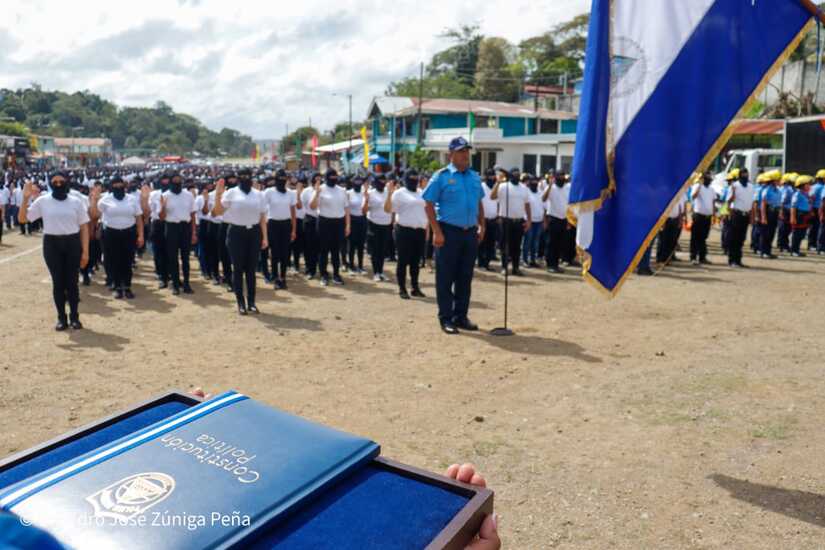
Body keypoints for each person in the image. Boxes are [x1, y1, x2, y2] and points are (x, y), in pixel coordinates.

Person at [423, 137, 485, 335]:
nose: (465, 155)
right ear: (451, 155)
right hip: (448, 232)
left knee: (465, 277)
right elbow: (428, 204)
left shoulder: (475, 177)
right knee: (445, 277)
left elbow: (479, 203)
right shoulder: (440, 176)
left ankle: (461, 316)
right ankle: (446, 318)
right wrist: (437, 232)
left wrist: (482, 225)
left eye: (467, 151)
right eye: (460, 152)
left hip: (470, 233)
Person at [18, 174, 90, 330]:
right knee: (58, 282)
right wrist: (25, 199)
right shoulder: (43, 201)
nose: (58, 184)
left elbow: (84, 227)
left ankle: (74, 317)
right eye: (54, 182)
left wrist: (85, 251)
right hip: (52, 244)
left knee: (72, 282)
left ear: (67, 182)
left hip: (72, 242)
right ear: (50, 183)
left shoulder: (76, 202)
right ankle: (61, 318)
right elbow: (23, 219)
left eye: (61, 181)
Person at [212, 170, 268, 315]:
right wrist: (218, 195)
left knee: (251, 270)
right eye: (242, 177)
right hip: (236, 232)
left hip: (254, 233)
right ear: (238, 179)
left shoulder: (259, 194)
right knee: (237, 269)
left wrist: (265, 237)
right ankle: (240, 303)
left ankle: (252, 302)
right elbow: (216, 212)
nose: (245, 179)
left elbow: (262, 217)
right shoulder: (231, 193)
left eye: (248, 176)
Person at [90, 176, 144, 299]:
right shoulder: (104, 200)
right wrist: (94, 198)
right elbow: (95, 215)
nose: (118, 188)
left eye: (121, 185)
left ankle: (127, 286)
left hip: (128, 233)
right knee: (113, 260)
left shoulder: (132, 199)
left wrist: (140, 235)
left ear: (124, 186)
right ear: (111, 187)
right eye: (115, 185)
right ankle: (117, 287)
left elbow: (139, 218)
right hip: (110, 234)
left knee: (127, 260)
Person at [386, 169, 428, 300]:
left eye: (416, 178)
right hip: (404, 230)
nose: (414, 180)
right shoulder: (399, 193)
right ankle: (402, 288)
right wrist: (389, 194)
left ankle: (415, 288)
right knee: (403, 261)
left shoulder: (422, 193)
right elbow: (388, 209)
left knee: (416, 262)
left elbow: (426, 212)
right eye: (411, 178)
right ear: (405, 179)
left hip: (419, 231)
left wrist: (427, 231)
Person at [309, 169, 350, 287]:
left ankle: (336, 274)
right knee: (323, 251)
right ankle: (324, 275)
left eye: (335, 176)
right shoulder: (320, 189)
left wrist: (348, 225)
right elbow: (312, 206)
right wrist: (316, 193)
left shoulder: (342, 190)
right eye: (331, 176)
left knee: (336, 251)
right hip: (324, 222)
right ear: (326, 177)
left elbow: (346, 208)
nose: (333, 178)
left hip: (339, 223)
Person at [161, 173, 198, 295]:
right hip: (171, 227)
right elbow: (161, 217)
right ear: (170, 181)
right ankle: (175, 284)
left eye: (179, 180)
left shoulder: (188, 195)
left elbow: (192, 215)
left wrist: (193, 233)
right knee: (172, 258)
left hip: (185, 227)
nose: (177, 182)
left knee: (185, 258)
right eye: (174, 180)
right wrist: (163, 206)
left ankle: (186, 283)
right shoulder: (165, 195)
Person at [491, 168, 531, 276]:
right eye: (514, 174)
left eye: (518, 175)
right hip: (506, 221)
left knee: (517, 246)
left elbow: (527, 204)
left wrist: (529, 220)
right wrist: (498, 182)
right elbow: (492, 196)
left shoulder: (524, 188)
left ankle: (516, 268)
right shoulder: (504, 186)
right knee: (505, 246)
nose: (516, 176)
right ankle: (504, 267)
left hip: (519, 221)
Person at [263, 169, 297, 290]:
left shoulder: (291, 193)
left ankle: (283, 278)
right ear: (275, 180)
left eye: (284, 179)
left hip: (286, 224)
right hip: (272, 224)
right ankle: (275, 277)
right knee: (275, 253)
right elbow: (262, 209)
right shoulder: (269, 192)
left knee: (285, 253)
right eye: (279, 179)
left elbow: (293, 212)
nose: (282, 181)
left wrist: (294, 230)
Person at [364, 173, 392, 282]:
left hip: (385, 224)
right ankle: (376, 272)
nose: (382, 182)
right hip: (373, 224)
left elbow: (390, 209)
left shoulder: (387, 192)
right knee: (375, 250)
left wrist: (390, 193)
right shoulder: (370, 193)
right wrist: (366, 200)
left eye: (384, 180)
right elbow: (364, 210)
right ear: (375, 181)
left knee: (382, 250)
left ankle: (380, 271)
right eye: (380, 180)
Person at [726, 168, 756, 268]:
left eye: (746, 174)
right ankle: (732, 260)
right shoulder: (734, 185)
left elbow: (751, 203)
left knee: (741, 239)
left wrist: (752, 217)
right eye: (743, 174)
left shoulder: (751, 186)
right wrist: (729, 214)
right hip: (736, 214)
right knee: (734, 238)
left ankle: (738, 260)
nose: (745, 176)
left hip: (746, 215)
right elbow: (728, 201)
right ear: (739, 175)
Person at [689, 171, 715, 265]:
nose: (709, 180)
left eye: (709, 178)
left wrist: (714, 213)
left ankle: (702, 257)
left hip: (707, 216)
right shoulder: (697, 186)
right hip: (698, 216)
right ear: (702, 179)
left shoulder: (712, 189)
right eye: (707, 178)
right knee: (695, 237)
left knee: (703, 237)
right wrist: (699, 186)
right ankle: (693, 257)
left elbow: (712, 202)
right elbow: (693, 196)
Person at [477, 168, 499, 271]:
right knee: (482, 243)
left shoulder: (496, 188)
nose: (491, 177)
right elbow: (478, 203)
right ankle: (481, 263)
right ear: (485, 176)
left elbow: (498, 202)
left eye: (493, 175)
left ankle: (487, 263)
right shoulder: (481, 187)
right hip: (483, 219)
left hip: (493, 219)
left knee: (491, 243)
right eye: (489, 175)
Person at [522, 174, 545, 268]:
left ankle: (533, 260)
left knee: (535, 242)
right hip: (528, 221)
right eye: (533, 181)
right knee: (527, 242)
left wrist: (544, 220)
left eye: (536, 181)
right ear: (529, 182)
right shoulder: (525, 192)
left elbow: (543, 207)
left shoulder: (540, 192)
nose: (535, 183)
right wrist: (527, 220)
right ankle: (524, 260)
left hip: (539, 221)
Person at [346, 175, 368, 274]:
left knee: (360, 244)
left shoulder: (364, 193)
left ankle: (360, 266)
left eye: (360, 181)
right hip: (352, 219)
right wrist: (348, 224)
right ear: (352, 182)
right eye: (356, 181)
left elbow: (366, 209)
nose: (358, 183)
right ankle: (351, 266)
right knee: (351, 245)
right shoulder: (348, 193)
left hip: (362, 220)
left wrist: (366, 197)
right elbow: (346, 209)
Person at [757, 169, 780, 259]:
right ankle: (763, 252)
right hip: (768, 212)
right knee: (765, 233)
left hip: (775, 212)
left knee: (771, 233)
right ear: (773, 180)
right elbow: (763, 204)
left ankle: (768, 251)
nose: (779, 181)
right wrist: (763, 217)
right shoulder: (767, 190)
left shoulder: (777, 190)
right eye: (778, 179)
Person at [790, 175, 813, 257]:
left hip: (805, 216)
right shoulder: (797, 194)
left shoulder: (806, 194)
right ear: (802, 185)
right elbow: (793, 206)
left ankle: (797, 250)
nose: (809, 186)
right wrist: (792, 217)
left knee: (802, 234)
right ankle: (794, 250)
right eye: (807, 184)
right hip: (799, 215)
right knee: (797, 233)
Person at [777, 172, 795, 253]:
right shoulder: (787, 189)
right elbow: (782, 201)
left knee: (787, 228)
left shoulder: (791, 189)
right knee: (784, 228)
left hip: (788, 210)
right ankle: (783, 245)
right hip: (785, 210)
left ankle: (783, 244)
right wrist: (781, 212)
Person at [808, 170, 824, 251]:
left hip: (818, 209)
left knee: (818, 228)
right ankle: (811, 244)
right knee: (814, 227)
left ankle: (815, 244)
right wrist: (811, 211)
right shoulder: (816, 187)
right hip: (815, 209)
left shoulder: (818, 187)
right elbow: (811, 199)